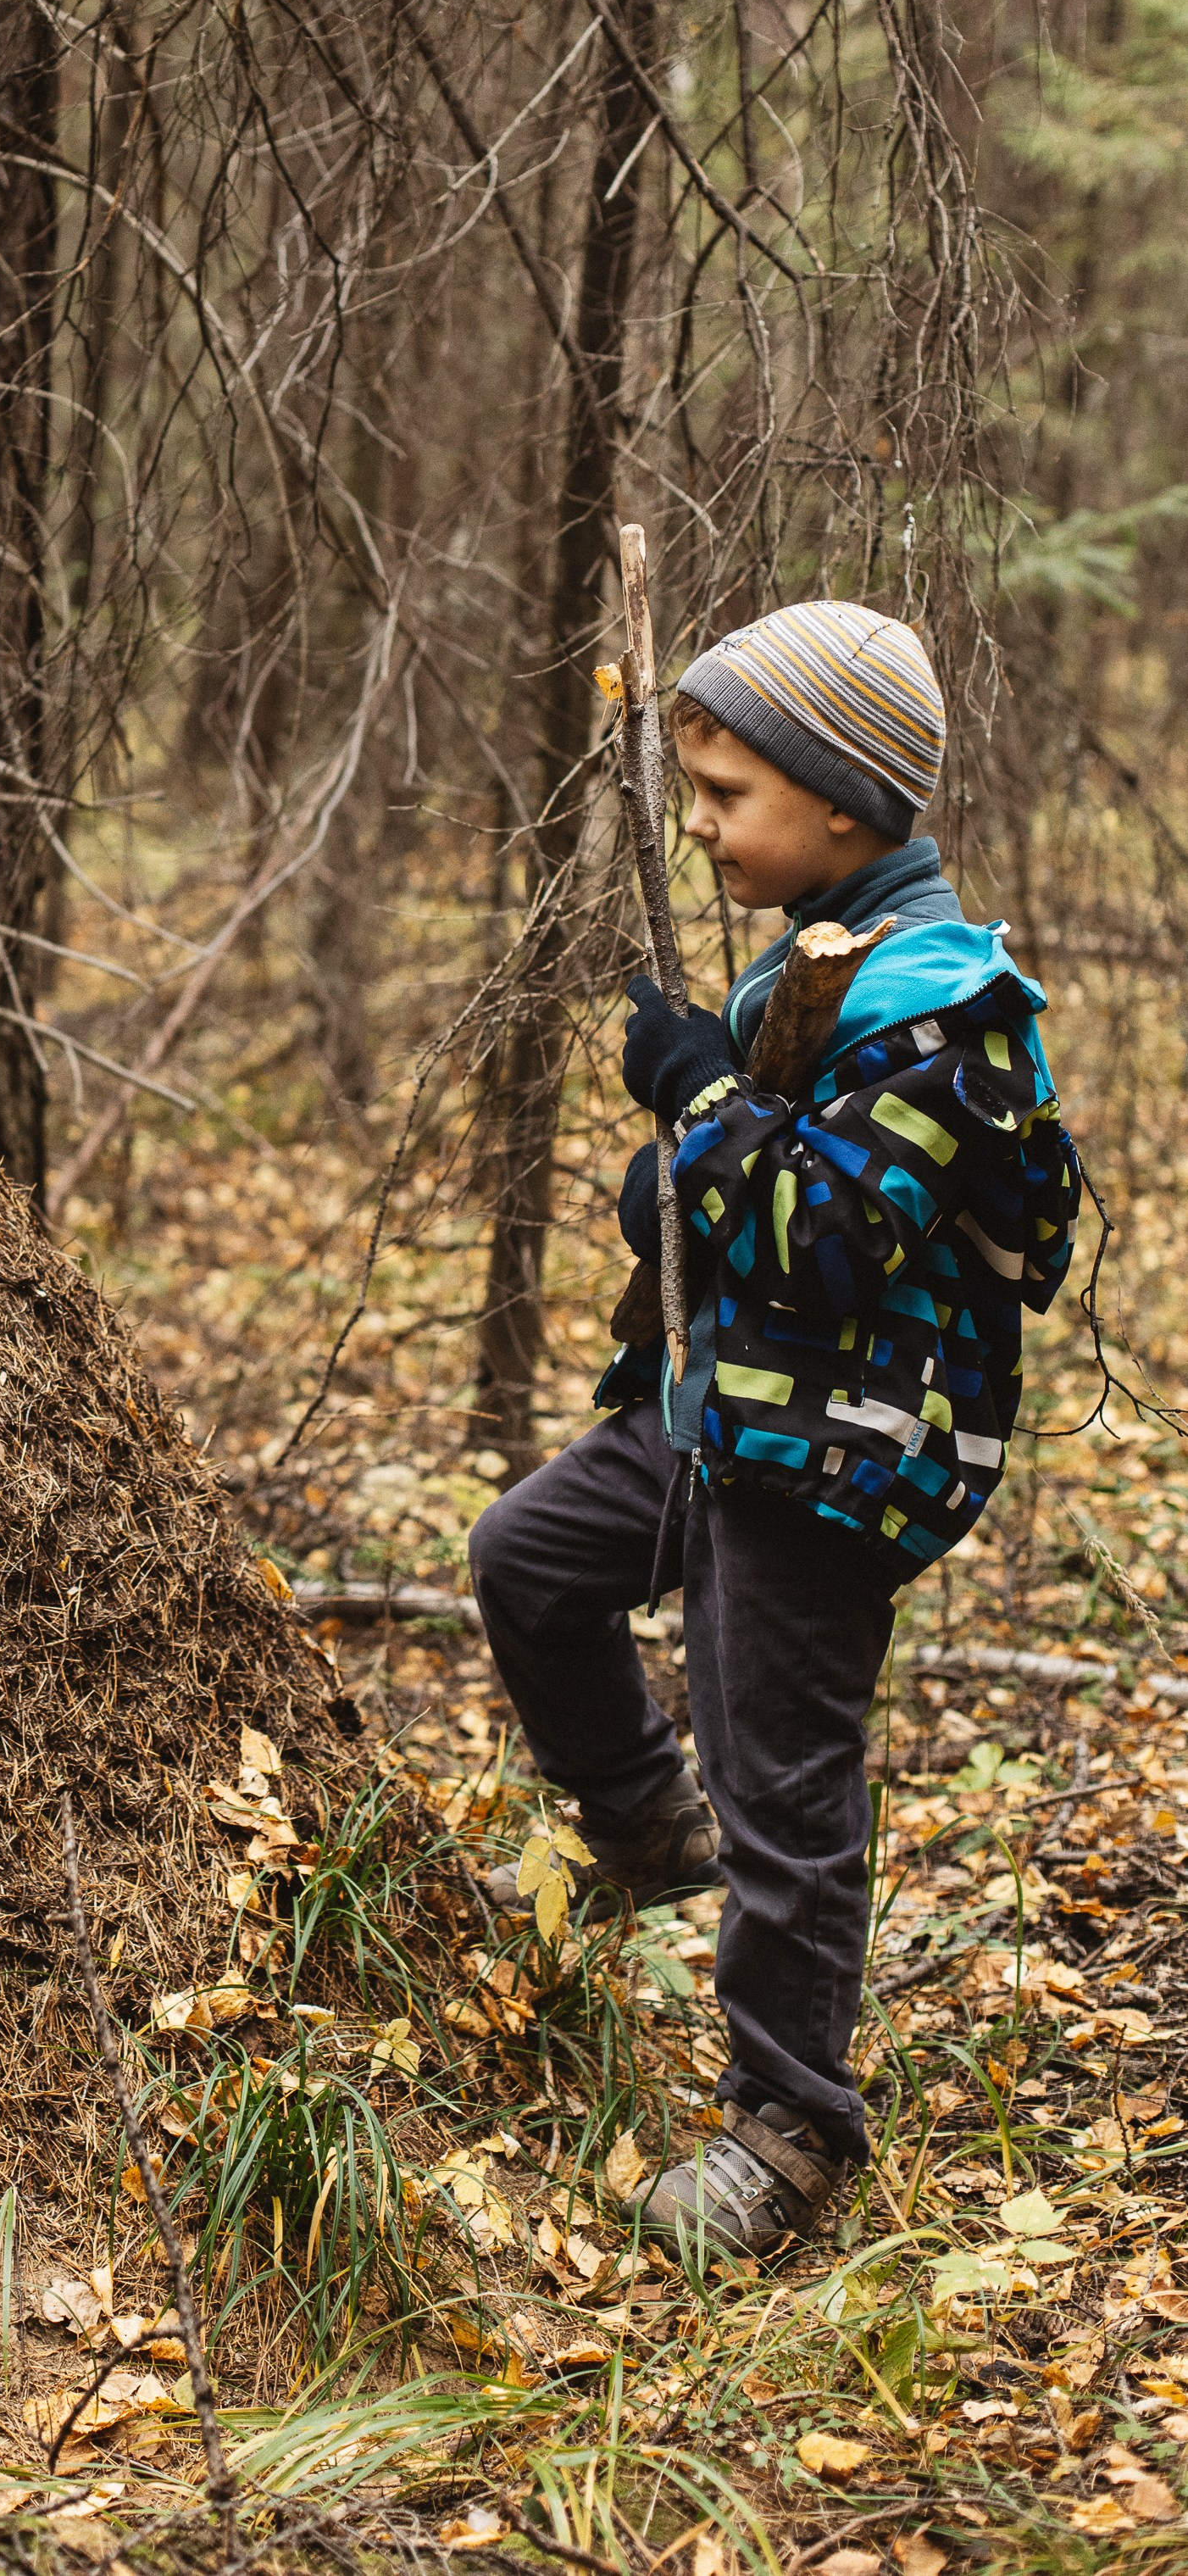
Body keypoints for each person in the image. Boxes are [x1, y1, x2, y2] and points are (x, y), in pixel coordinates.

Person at [467, 599, 1081, 2261]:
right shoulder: (811, 960)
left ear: (842, 800)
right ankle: (637, 1819)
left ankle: (792, 2121)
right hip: (726, 1415)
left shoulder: (940, 1004)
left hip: (840, 1452)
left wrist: (697, 1100)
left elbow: (830, 1232)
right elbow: (741, 1207)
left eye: (732, 793)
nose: (708, 825)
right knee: (529, 1554)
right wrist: (675, 1170)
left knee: (784, 1773)